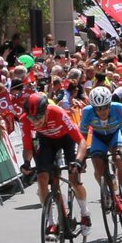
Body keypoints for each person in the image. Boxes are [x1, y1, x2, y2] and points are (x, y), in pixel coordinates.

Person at [25, 92, 90, 231]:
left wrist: (78, 161)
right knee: (42, 178)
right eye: (31, 118)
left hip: (66, 139)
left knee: (74, 179)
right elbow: (28, 147)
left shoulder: (57, 112)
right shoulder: (26, 120)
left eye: (38, 118)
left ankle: (85, 213)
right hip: (46, 141)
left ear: (46, 111)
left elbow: (81, 141)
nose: (35, 122)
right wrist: (26, 162)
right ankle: (51, 222)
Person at [79, 87, 122, 216]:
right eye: (97, 108)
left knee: (119, 160)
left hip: (115, 135)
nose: (101, 111)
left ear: (110, 104)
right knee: (98, 169)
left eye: (104, 107)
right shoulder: (87, 112)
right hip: (98, 138)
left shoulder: (118, 108)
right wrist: (81, 158)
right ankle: (108, 193)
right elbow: (82, 137)